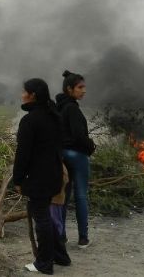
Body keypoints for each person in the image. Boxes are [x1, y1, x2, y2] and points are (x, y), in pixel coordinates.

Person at [13, 78, 71, 274]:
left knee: (42, 218)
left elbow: (23, 154)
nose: (22, 94)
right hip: (55, 174)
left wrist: (18, 179)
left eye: (24, 91)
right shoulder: (54, 115)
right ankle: (61, 256)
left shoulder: (29, 121)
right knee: (47, 215)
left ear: (33, 95)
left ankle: (44, 263)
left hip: (39, 178)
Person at [56, 70, 95, 249]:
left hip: (63, 155)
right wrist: (91, 147)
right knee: (80, 196)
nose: (84, 90)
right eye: (80, 87)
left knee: (64, 196)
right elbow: (80, 136)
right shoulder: (72, 109)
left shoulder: (59, 106)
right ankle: (83, 238)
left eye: (84, 87)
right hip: (77, 156)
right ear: (69, 89)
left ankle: (61, 235)